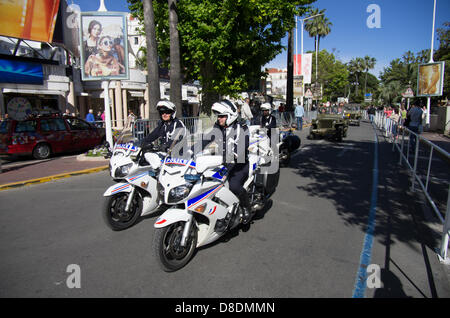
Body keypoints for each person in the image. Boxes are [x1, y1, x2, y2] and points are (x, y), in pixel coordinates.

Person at [193, 100, 252, 224]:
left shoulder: (241, 128)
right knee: (205, 181)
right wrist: (190, 150)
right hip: (222, 163)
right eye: (218, 116)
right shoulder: (218, 127)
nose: (219, 119)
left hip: (239, 165)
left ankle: (246, 208)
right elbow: (206, 139)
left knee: (234, 185)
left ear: (230, 115)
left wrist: (232, 158)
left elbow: (240, 149)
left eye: (222, 116)